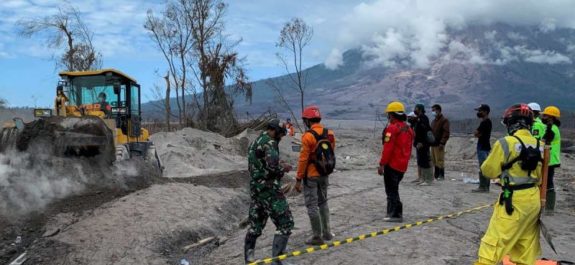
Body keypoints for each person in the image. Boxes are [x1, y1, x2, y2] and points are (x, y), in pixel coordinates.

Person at [474, 104, 542, 265]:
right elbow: (540, 176)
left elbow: (488, 170)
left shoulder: (506, 143)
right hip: (533, 200)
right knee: (524, 248)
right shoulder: (538, 145)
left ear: (511, 123)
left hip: (513, 201)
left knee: (493, 243)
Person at [244, 119, 294, 264]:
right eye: (280, 134)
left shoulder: (256, 141)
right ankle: (277, 261)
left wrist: (277, 164)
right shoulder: (270, 142)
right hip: (269, 190)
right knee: (286, 223)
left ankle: (249, 260)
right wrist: (284, 168)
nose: (281, 137)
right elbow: (272, 167)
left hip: (256, 189)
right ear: (274, 131)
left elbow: (260, 163)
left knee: (255, 226)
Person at [294, 106, 336, 246]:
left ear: (307, 120)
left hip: (311, 176)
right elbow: (330, 153)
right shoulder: (330, 133)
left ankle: (317, 236)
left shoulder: (308, 136)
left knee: (312, 205)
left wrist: (298, 179)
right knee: (323, 202)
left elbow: (303, 159)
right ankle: (327, 232)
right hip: (324, 174)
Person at [377, 101, 414, 222]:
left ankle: (395, 214)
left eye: (389, 115)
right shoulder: (409, 129)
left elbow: (387, 149)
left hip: (392, 165)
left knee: (391, 190)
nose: (388, 117)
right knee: (394, 188)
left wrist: (382, 164)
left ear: (392, 115)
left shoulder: (392, 129)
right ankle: (392, 212)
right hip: (403, 165)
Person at [541, 106, 561, 214]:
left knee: (548, 182)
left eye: (545, 115)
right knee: (546, 181)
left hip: (550, 160)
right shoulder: (552, 127)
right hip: (549, 159)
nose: (543, 117)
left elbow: (544, 141)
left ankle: (549, 208)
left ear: (551, 117)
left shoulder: (552, 129)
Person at [472, 104, 492, 193]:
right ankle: (485, 186)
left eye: (480, 111)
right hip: (485, 146)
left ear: (485, 112)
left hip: (482, 146)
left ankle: (483, 187)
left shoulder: (485, 122)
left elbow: (476, 133)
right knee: (485, 166)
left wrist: (477, 133)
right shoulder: (487, 122)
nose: (479, 113)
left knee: (483, 167)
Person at [413, 104, 433, 186]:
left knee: (425, 161)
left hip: (423, 144)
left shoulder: (424, 118)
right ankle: (423, 178)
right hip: (419, 144)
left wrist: (422, 143)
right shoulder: (419, 119)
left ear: (420, 109)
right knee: (421, 161)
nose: (415, 110)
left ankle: (428, 180)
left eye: (416, 108)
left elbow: (426, 132)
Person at [430, 104, 450, 180]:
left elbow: (446, 132)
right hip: (433, 143)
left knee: (440, 160)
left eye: (434, 110)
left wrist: (442, 142)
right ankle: (436, 175)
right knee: (434, 160)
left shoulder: (444, 120)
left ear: (438, 110)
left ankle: (441, 175)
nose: (433, 112)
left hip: (439, 143)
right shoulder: (433, 121)